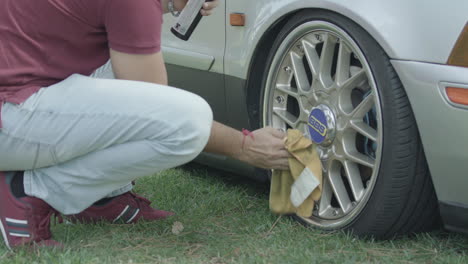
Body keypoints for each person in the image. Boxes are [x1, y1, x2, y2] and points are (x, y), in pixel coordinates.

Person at [0, 0, 290, 249]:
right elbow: (158, 111)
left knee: (122, 61)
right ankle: (27, 189)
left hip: (20, 96)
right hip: (10, 118)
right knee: (189, 120)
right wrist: (244, 146)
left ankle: (98, 197)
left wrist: (170, 6)